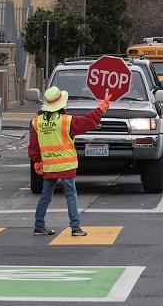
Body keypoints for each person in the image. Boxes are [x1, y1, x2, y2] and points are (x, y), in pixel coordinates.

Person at [28, 86, 112, 236]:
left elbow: (34, 146)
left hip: (49, 165)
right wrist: (102, 107)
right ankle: (75, 228)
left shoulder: (36, 122)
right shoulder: (66, 121)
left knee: (45, 196)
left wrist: (37, 161)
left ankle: (39, 226)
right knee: (71, 196)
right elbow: (89, 121)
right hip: (66, 165)